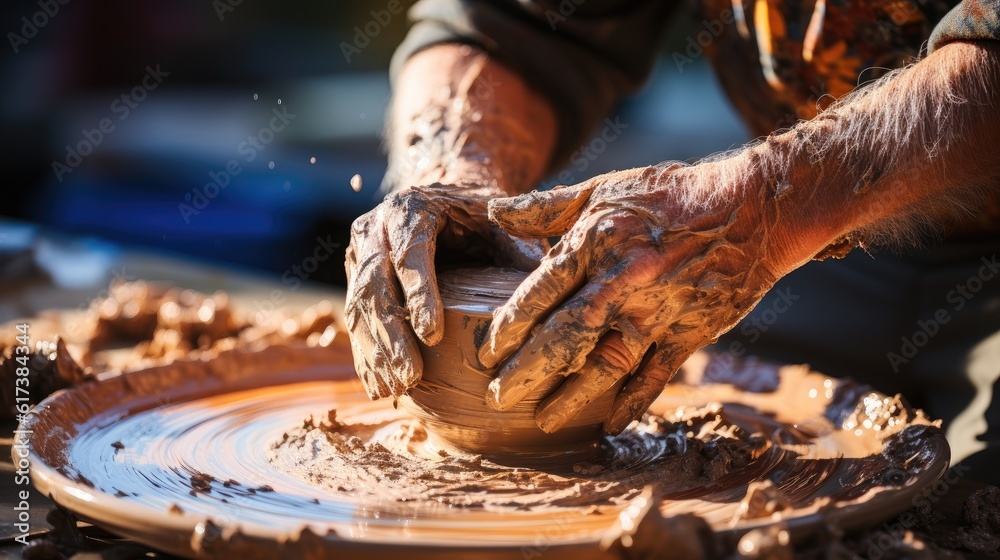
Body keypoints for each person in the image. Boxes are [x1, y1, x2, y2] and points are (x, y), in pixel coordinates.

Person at [345, 0, 1000, 481]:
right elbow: (507, 28)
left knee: (965, 507)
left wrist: (762, 210)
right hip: (820, 238)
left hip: (867, 218)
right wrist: (451, 175)